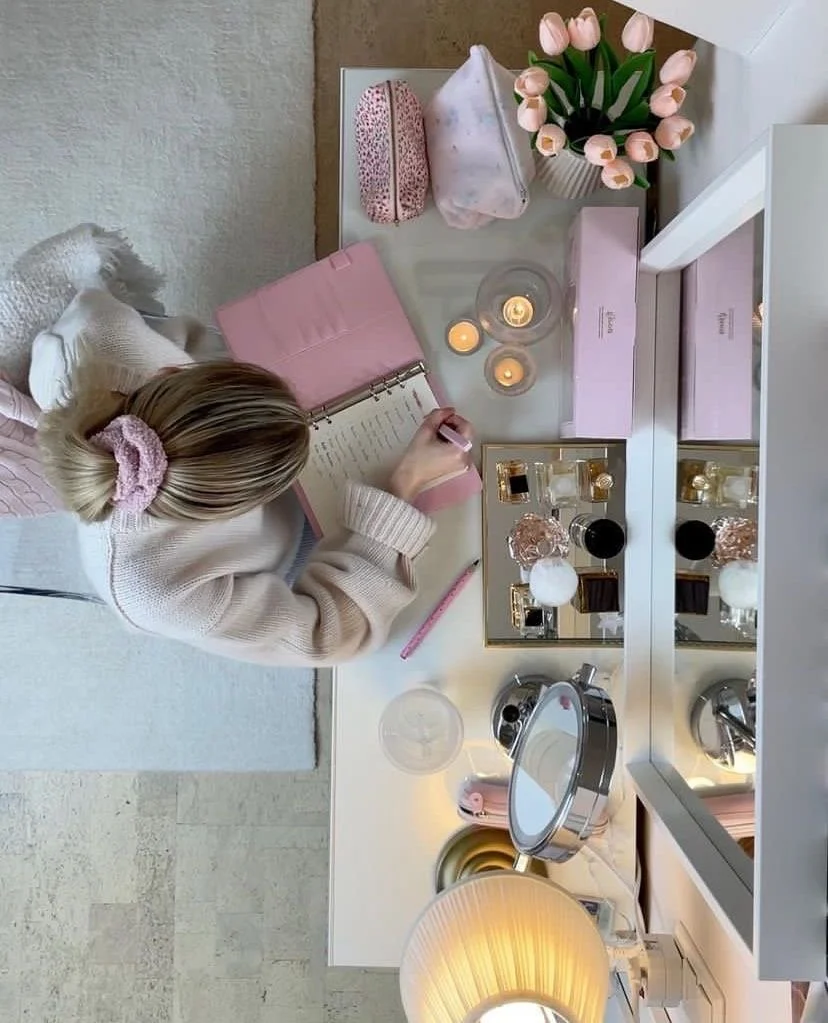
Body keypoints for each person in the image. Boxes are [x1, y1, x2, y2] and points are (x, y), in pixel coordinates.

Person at [33, 289, 473, 665]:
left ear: (173, 374)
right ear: (226, 512)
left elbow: (171, 332)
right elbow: (325, 635)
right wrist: (405, 484)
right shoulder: (152, 593)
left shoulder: (100, 333)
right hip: (289, 551)